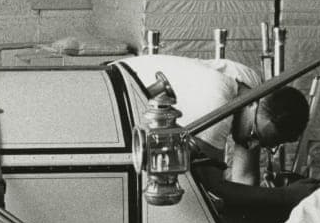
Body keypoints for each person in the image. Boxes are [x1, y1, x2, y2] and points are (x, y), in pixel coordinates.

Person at [115, 53, 309, 186]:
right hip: (109, 101)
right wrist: (284, 197)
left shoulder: (252, 89)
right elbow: (212, 186)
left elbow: (245, 177)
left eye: (263, 144)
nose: (252, 144)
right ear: (254, 104)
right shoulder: (218, 105)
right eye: (254, 135)